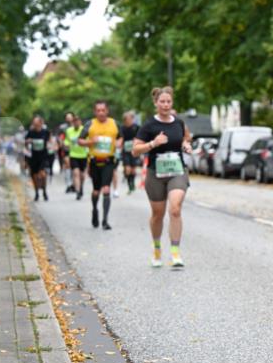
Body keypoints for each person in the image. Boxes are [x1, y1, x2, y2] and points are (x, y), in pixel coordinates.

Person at [132, 87, 193, 267]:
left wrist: (186, 145)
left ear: (171, 103)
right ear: (156, 103)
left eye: (168, 101)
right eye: (162, 102)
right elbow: (135, 150)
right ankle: (157, 249)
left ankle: (175, 253)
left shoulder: (179, 123)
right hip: (155, 173)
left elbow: (185, 138)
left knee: (175, 209)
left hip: (177, 171)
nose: (166, 105)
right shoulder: (149, 126)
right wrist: (153, 143)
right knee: (157, 214)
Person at [77, 101, 121, 230]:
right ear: (95, 112)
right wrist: (90, 141)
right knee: (96, 191)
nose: (101, 112)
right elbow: (80, 141)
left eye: (103, 110)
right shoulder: (89, 124)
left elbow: (121, 137)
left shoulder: (114, 124)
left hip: (109, 161)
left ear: (107, 111)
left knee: (106, 189)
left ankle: (105, 220)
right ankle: (95, 210)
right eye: (98, 110)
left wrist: (119, 143)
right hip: (94, 162)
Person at [24, 115, 51, 201]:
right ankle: (36, 193)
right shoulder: (30, 132)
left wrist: (50, 146)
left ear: (41, 123)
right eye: (34, 123)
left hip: (43, 156)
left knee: (42, 174)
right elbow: (25, 143)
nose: (35, 125)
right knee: (34, 176)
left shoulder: (46, 132)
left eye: (37, 123)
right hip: (33, 157)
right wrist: (28, 142)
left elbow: (50, 142)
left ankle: (44, 191)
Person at [65, 113, 88, 198]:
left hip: (83, 155)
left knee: (82, 175)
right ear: (73, 123)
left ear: (80, 122)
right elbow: (67, 141)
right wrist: (66, 144)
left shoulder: (84, 130)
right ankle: (78, 191)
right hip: (73, 155)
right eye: (74, 122)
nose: (76, 124)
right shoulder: (69, 131)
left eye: (78, 122)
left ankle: (81, 188)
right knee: (75, 173)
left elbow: (89, 141)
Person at [120, 111, 141, 195]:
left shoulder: (136, 127)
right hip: (125, 151)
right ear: (124, 120)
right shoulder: (122, 128)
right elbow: (120, 138)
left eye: (130, 119)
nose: (129, 120)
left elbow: (141, 137)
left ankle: (132, 182)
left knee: (133, 170)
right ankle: (130, 185)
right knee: (127, 169)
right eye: (127, 119)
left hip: (135, 151)